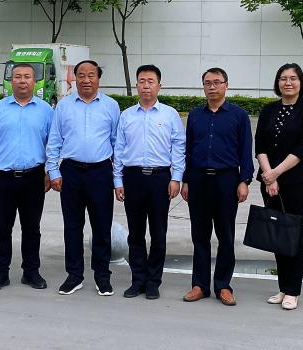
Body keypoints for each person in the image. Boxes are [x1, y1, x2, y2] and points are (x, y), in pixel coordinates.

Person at [46, 60, 120, 297]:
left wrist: (118, 179)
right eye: (81, 75)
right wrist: (53, 172)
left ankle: (102, 276)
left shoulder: (111, 106)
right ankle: (74, 275)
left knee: (102, 227)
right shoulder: (64, 106)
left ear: (98, 78)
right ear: (74, 78)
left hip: (101, 172)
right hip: (71, 172)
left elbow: (117, 144)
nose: (86, 80)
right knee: (72, 227)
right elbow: (54, 141)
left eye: (91, 75)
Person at [0, 63, 55, 292]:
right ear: (11, 81)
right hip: (4, 178)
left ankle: (31, 272)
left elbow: (53, 144)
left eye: (27, 77)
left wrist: (50, 171)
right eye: (18, 77)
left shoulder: (46, 111)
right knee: (2, 228)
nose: (22, 81)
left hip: (34, 177)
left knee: (32, 228)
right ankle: (0, 273)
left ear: (35, 81)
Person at [181, 67, 254, 306]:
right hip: (198, 180)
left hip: (227, 180)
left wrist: (244, 181)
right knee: (199, 235)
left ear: (226, 85)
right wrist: (186, 180)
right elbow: (188, 150)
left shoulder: (238, 115)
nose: (212, 87)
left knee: (225, 235)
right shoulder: (195, 115)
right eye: (207, 83)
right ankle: (200, 285)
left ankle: (223, 285)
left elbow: (245, 150)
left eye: (216, 82)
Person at [113, 64, 185, 300]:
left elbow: (178, 148)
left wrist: (176, 178)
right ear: (136, 85)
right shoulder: (126, 116)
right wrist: (118, 180)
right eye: (142, 81)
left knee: (158, 233)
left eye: (150, 81)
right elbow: (119, 149)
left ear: (159, 86)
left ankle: (153, 282)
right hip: (132, 178)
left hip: (160, 179)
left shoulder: (169, 114)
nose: (146, 85)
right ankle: (138, 280)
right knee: (135, 234)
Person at [255, 63, 303, 311]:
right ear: (277, 82)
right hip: (269, 181)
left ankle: (293, 290)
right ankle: (283, 287)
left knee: (294, 234)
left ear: (301, 82)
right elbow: (259, 144)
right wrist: (268, 176)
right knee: (277, 233)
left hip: (296, 181)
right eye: (283, 78)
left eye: (293, 78)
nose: (288, 82)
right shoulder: (268, 110)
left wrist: (276, 173)